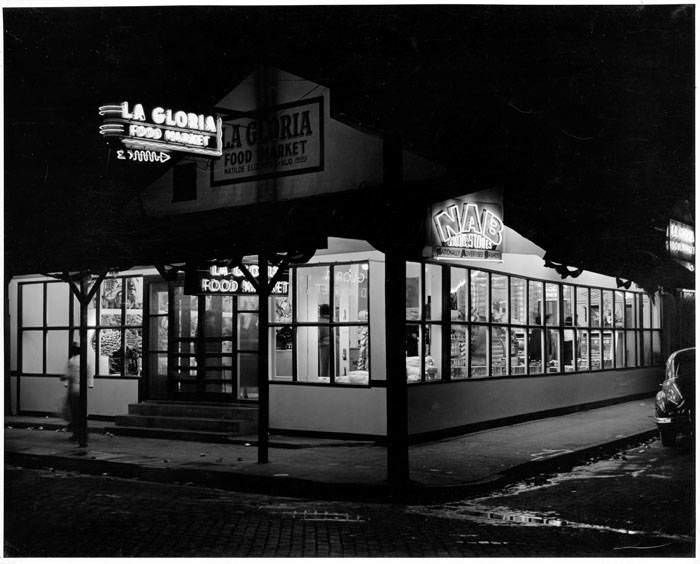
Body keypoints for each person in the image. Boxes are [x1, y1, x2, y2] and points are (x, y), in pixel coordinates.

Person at [61, 343, 81, 441]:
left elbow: (69, 375)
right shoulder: (84, 360)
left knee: (74, 412)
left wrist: (63, 378)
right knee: (80, 412)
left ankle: (76, 434)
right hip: (82, 390)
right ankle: (81, 432)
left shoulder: (72, 361)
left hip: (73, 390)